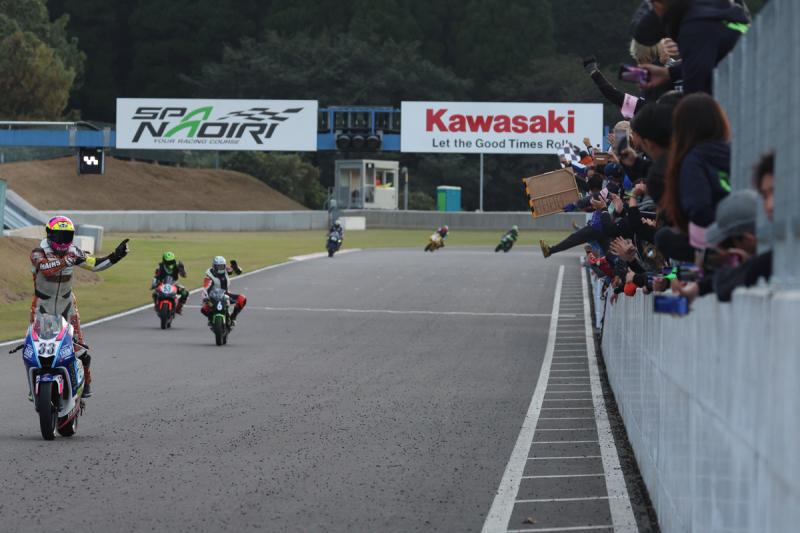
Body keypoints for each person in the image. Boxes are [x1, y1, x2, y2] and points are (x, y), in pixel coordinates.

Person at [29, 216, 130, 398]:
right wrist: (66, 261)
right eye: (58, 236)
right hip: (43, 307)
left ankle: (86, 383)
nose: (62, 241)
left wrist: (116, 256)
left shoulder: (73, 252)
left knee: (79, 349)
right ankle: (34, 386)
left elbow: (95, 264)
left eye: (66, 236)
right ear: (49, 235)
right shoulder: (38, 252)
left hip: (67, 306)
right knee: (37, 350)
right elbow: (45, 269)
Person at [659, 93, 731, 256]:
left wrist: (723, 239)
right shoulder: (733, 151)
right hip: (743, 229)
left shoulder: (693, 159)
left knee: (663, 238)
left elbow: (698, 208)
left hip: (717, 242)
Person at [635, 0, 751, 94]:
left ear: (658, 5)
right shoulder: (713, 12)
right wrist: (668, 73)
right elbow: (711, 61)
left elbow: (696, 96)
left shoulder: (695, 27)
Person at [201, 256, 246, 327]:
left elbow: (238, 272)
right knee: (204, 309)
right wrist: (205, 297)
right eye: (218, 266)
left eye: (222, 266)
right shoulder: (209, 275)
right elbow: (205, 288)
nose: (221, 268)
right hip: (213, 296)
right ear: (214, 266)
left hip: (226, 294)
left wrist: (236, 268)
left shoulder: (226, 270)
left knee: (242, 299)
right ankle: (211, 319)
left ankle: (233, 317)